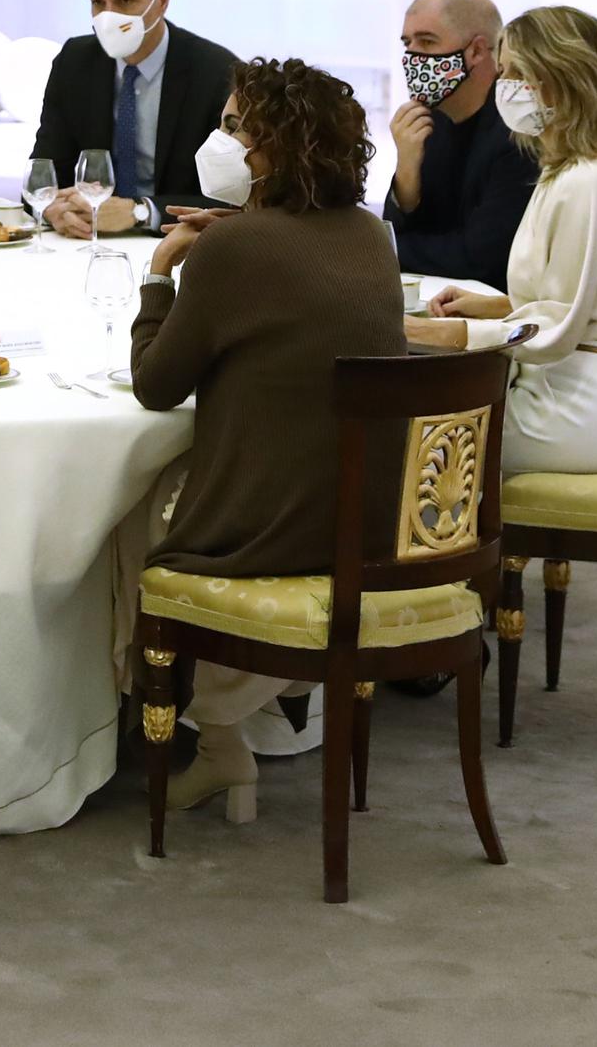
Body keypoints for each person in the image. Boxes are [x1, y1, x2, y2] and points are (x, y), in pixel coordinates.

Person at [129, 57, 403, 815]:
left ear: (271, 146)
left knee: (134, 517)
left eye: (232, 127)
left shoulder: (229, 251)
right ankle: (236, 735)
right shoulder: (372, 237)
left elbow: (156, 384)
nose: (219, 141)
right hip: (366, 526)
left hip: (271, 532)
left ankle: (208, 738)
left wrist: (161, 271)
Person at [406, 6, 597, 474]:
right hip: (585, 386)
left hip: (585, 407)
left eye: (521, 74)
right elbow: (578, 302)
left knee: (404, 438)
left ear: (564, 77)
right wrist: (499, 306)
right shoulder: (579, 167)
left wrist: (441, 333)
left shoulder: (588, 180)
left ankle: (447, 548)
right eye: (505, 73)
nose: (507, 88)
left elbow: (557, 329)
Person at [36, 0, 238, 237]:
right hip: (86, 240)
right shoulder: (75, 62)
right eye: (97, 2)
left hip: (178, 242)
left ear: (162, 0)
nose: (109, 17)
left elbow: (232, 199)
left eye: (125, 1)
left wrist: (140, 212)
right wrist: (51, 208)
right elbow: (43, 175)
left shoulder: (216, 72)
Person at [383, 0, 539, 288]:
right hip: (444, 298)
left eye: (427, 41)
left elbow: (479, 260)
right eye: (407, 43)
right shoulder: (429, 121)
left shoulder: (519, 129)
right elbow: (400, 232)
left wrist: (380, 249)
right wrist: (406, 174)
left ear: (477, 51)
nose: (413, 56)